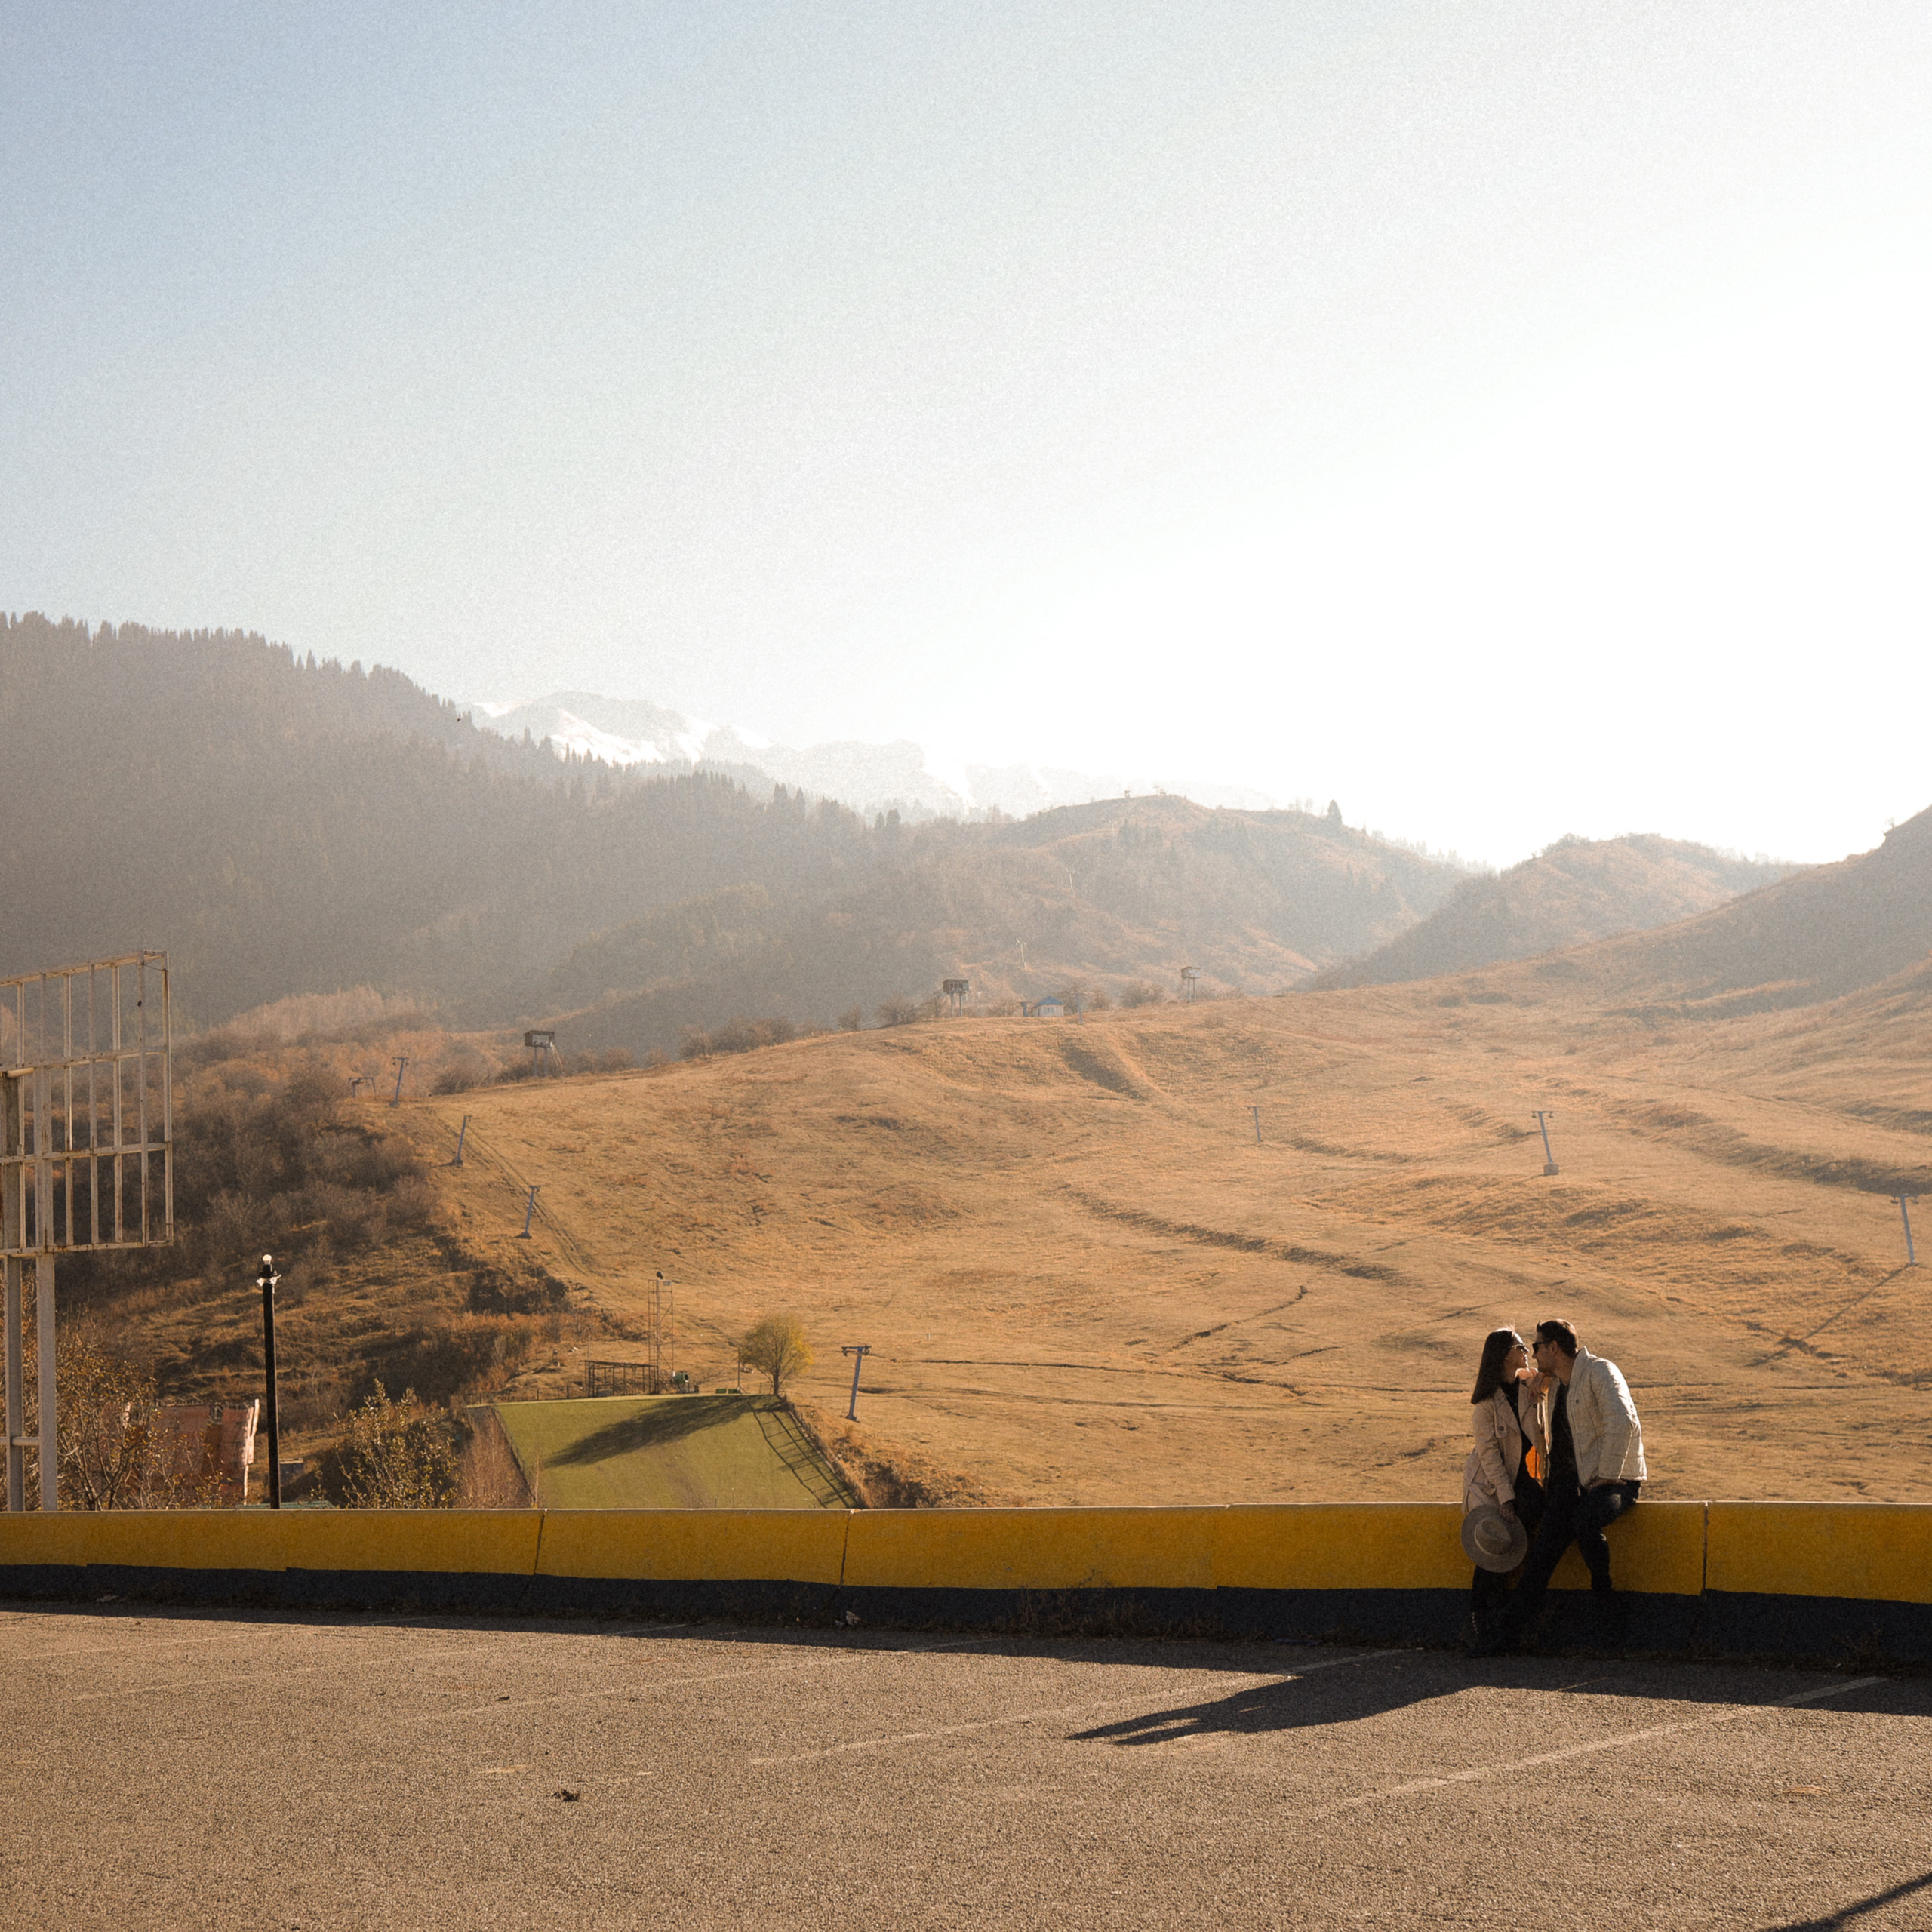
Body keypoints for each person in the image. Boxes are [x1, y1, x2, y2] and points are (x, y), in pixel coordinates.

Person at [1470, 1318, 1646, 1654]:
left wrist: (1609, 1473)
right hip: (1573, 1487)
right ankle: (1502, 1638)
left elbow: (1622, 1420)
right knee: (1539, 1560)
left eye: (1536, 1347)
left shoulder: (1601, 1371)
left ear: (1553, 1348)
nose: (1533, 1354)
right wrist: (1543, 1377)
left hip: (1615, 1481)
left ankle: (1608, 1612)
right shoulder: (1557, 1383)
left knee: (1585, 1521)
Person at [1461, 1328, 1545, 1641]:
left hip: (1523, 1478)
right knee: (1494, 1546)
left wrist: (1540, 1378)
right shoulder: (1486, 1404)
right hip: (1491, 1485)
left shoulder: (1529, 1384)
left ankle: (1500, 1617)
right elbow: (1490, 1457)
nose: (1526, 1350)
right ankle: (1479, 1617)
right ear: (1503, 1354)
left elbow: (1554, 1374)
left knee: (1525, 1529)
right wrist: (1506, 1499)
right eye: (1519, 1346)